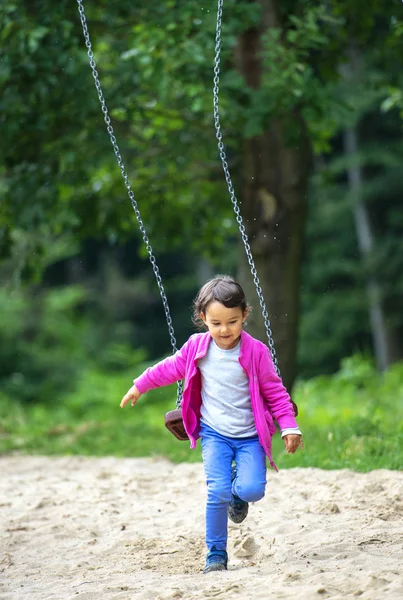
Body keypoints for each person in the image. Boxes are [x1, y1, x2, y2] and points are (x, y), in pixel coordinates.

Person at [120, 275, 303, 573]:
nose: (225, 330)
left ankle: (237, 494)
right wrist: (140, 385)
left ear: (244, 315)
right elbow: (169, 368)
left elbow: (276, 393)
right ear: (203, 318)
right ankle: (216, 552)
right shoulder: (197, 347)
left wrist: (289, 426)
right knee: (216, 491)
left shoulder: (256, 352)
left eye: (232, 321)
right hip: (215, 434)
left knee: (253, 489)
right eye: (216, 323)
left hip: (250, 437)